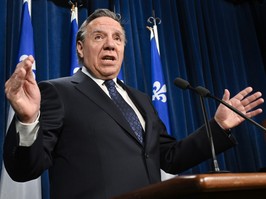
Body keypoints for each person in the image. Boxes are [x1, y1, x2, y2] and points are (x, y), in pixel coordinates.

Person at [4, 9, 264, 199]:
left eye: (117, 38)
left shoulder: (140, 100)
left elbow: (169, 157)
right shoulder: (57, 92)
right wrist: (27, 121)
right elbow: (25, 169)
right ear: (80, 48)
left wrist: (218, 127)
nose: (110, 45)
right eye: (99, 37)